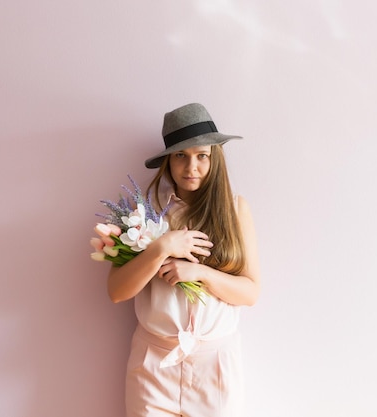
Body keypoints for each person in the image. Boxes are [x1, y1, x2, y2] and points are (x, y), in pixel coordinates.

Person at [107, 103, 261, 417]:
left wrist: (199, 272)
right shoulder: (143, 214)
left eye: (201, 156)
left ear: (214, 158)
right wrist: (161, 247)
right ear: (168, 160)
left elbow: (250, 292)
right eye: (181, 155)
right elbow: (116, 291)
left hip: (214, 365)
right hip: (154, 363)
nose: (191, 167)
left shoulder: (235, 209)